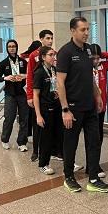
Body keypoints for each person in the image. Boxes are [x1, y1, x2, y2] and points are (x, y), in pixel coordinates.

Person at [56, 16, 108, 193]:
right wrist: (65, 109)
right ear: (73, 31)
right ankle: (69, 177)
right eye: (83, 30)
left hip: (90, 106)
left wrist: (98, 95)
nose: (87, 33)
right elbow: (60, 82)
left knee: (94, 142)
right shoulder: (65, 52)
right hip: (73, 107)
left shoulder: (88, 50)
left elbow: (90, 77)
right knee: (71, 143)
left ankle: (93, 178)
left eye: (88, 29)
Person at [25, 30, 65, 163]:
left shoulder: (54, 55)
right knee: (39, 127)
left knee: (54, 128)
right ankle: (36, 152)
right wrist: (30, 95)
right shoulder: (34, 56)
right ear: (41, 39)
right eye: (47, 38)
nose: (50, 40)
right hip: (40, 96)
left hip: (52, 96)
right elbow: (30, 76)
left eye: (52, 38)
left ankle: (55, 151)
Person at [89, 43, 108, 178]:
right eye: (93, 58)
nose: (96, 61)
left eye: (98, 58)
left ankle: (94, 163)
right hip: (90, 108)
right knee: (92, 138)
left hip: (101, 107)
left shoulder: (103, 66)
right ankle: (92, 165)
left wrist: (101, 54)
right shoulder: (86, 68)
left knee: (99, 137)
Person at [32, 46, 62, 175]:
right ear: (43, 57)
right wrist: (38, 115)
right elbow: (36, 95)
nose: (53, 57)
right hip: (45, 108)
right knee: (46, 138)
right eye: (50, 55)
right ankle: (43, 164)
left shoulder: (54, 70)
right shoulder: (39, 72)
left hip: (56, 106)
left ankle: (64, 158)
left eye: (54, 55)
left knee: (59, 135)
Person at [0, 39, 29, 152]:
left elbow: (29, 75)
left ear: (16, 47)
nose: (12, 48)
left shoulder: (23, 62)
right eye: (9, 46)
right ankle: (5, 140)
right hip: (10, 94)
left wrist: (23, 76)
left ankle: (22, 142)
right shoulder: (3, 63)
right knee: (9, 118)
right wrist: (6, 78)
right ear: (7, 48)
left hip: (22, 93)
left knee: (24, 118)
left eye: (13, 46)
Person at [21, 40, 42, 140]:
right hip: (29, 86)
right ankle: (29, 133)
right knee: (30, 113)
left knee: (29, 113)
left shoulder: (24, 56)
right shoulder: (30, 57)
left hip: (29, 86)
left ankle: (29, 133)